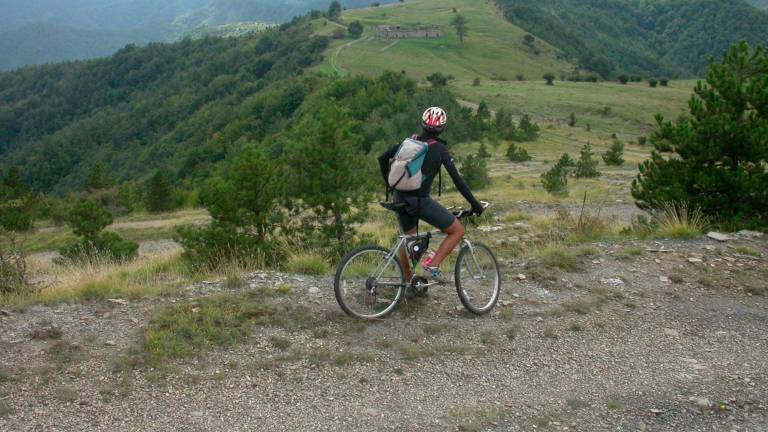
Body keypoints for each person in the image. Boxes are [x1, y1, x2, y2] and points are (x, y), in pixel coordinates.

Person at [378, 106, 484, 282]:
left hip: (400, 198)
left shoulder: (409, 142)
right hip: (419, 201)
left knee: (408, 239)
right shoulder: (440, 149)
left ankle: (409, 283)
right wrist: (475, 204)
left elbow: (382, 158)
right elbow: (458, 180)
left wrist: (390, 186)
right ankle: (432, 266)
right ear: (442, 127)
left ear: (423, 124)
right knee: (457, 230)